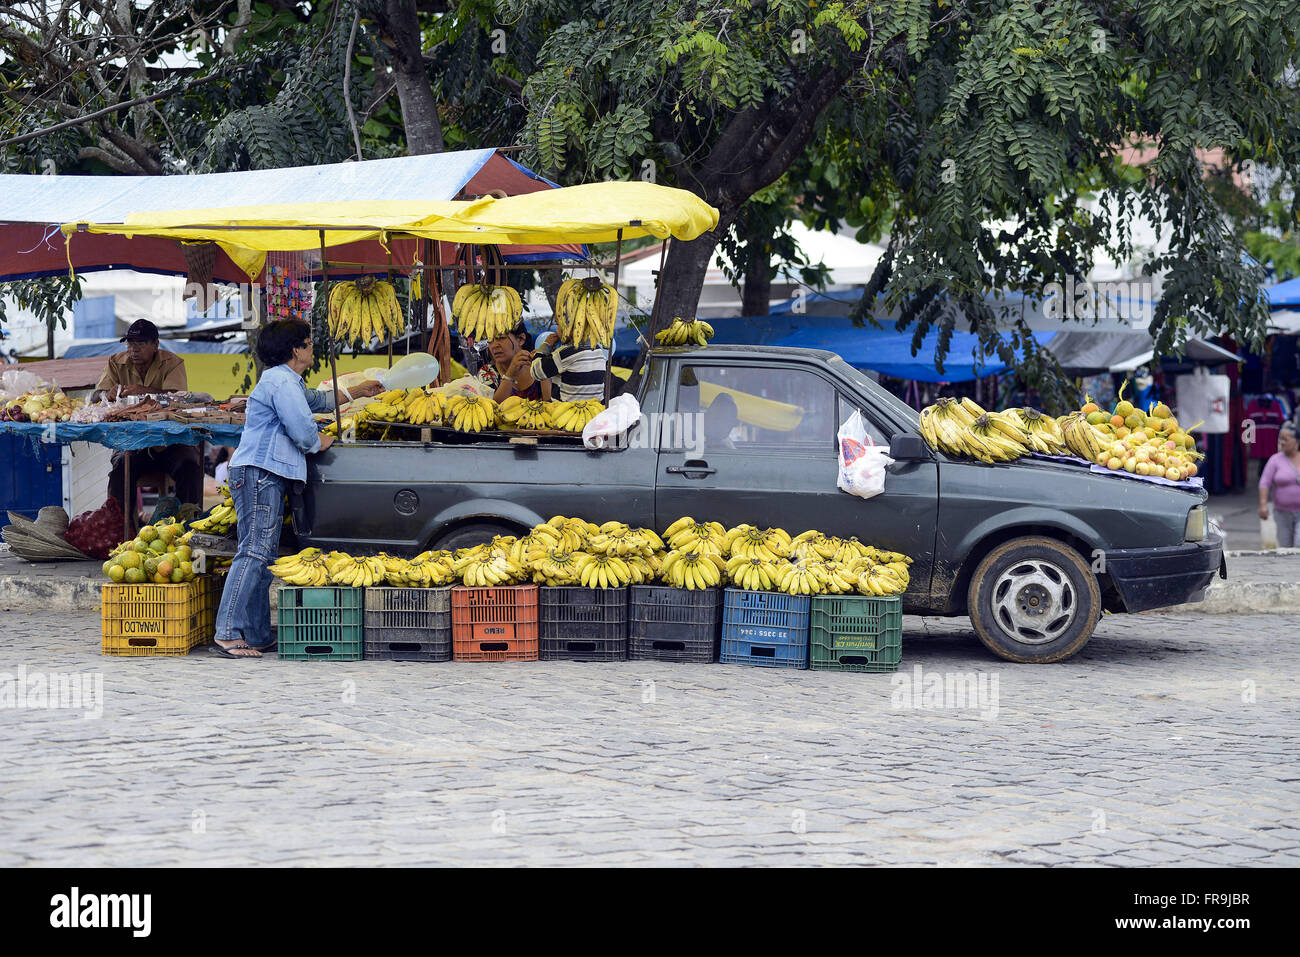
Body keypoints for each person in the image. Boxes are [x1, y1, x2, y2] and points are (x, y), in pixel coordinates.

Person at [211, 319, 384, 659]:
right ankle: (227, 633)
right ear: (296, 349)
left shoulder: (287, 380)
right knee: (254, 552)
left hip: (264, 474)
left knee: (263, 556)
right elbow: (303, 431)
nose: (312, 348)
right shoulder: (279, 381)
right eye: (308, 342)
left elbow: (317, 400)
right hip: (260, 472)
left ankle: (258, 634)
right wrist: (321, 441)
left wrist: (356, 391)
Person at [96, 319, 204, 508]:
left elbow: (178, 398)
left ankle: (189, 524)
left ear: (155, 344)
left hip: (170, 440)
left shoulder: (172, 362)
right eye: (130, 343)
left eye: (140, 343)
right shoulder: (115, 362)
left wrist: (145, 392)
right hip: (132, 442)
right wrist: (107, 394)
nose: (133, 349)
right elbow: (96, 395)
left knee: (190, 466)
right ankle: (121, 527)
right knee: (120, 469)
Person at [477, 322, 552, 403]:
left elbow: (551, 404)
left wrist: (541, 369)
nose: (494, 345)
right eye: (490, 340)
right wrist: (510, 373)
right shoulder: (487, 373)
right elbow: (492, 408)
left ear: (520, 339)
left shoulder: (535, 366)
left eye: (501, 338)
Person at [529, 333, 607, 402]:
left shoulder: (566, 352)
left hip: (567, 411)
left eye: (558, 325)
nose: (556, 330)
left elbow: (536, 372)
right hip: (594, 409)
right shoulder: (598, 349)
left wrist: (545, 346)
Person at [1259, 422, 1300, 549]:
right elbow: (1265, 482)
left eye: (1285, 439)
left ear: (1297, 442)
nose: (1282, 442)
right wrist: (1263, 504)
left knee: (1299, 543)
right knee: (1285, 547)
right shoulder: (1275, 460)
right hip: (1282, 512)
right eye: (1280, 439)